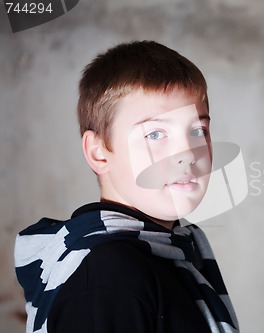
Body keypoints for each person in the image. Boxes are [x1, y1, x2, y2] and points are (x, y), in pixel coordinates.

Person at [14, 41, 239, 333]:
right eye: (156, 133)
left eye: (198, 131)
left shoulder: (175, 252)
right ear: (99, 152)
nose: (187, 154)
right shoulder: (108, 277)